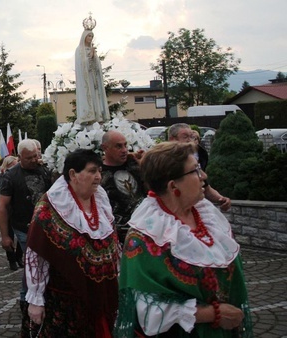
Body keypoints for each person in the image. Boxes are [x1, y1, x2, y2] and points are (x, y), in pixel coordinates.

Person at [116, 142, 252, 337]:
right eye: (195, 171)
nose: (203, 176)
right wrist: (212, 313)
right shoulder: (145, 237)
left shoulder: (207, 216)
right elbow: (148, 311)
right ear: (173, 186)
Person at [25, 149, 120, 337]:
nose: (98, 177)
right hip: (64, 301)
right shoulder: (51, 206)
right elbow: (37, 253)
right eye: (92, 171)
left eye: (99, 171)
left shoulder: (100, 200)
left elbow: (114, 245)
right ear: (72, 174)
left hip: (100, 295)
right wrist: (35, 299)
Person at [0, 139, 52, 328]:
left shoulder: (45, 169)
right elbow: (2, 206)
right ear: (20, 156)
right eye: (29, 158)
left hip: (48, 227)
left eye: (36, 155)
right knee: (32, 266)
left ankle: (40, 300)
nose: (34, 160)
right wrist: (5, 236)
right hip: (23, 228)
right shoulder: (11, 176)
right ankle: (26, 303)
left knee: (43, 266)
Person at [168, 123, 231, 211]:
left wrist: (221, 199)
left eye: (191, 136)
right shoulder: (165, 162)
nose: (190, 140)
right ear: (172, 139)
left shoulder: (200, 156)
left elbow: (206, 188)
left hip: (195, 209)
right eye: (185, 137)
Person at [100, 130, 146, 244]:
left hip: (144, 226)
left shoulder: (134, 164)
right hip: (118, 234)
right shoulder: (98, 173)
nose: (124, 150)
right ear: (105, 148)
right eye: (118, 146)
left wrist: (144, 166)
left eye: (125, 145)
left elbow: (153, 191)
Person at [75, 17, 109, 125]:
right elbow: (81, 65)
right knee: (89, 97)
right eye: (89, 36)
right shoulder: (79, 50)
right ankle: (88, 117)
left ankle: (98, 116)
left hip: (94, 79)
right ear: (84, 37)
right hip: (86, 80)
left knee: (96, 98)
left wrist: (94, 57)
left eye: (92, 36)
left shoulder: (92, 50)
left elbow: (97, 66)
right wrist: (90, 57)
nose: (90, 38)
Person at [0, 155, 23, 271]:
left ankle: (19, 257)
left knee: (21, 237)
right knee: (8, 235)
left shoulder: (20, 176)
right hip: (5, 211)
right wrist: (5, 195)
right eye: (13, 165)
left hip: (17, 211)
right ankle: (11, 260)